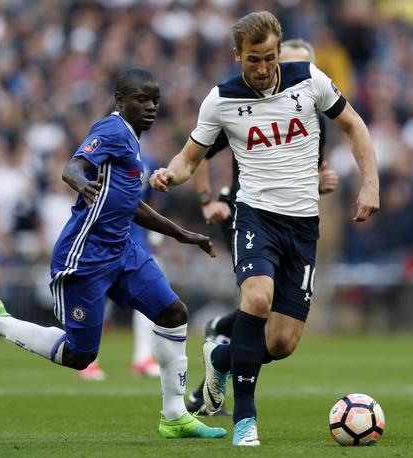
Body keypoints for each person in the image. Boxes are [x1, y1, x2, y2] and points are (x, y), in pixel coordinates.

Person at [0, 68, 227, 440]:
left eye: (155, 101)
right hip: (85, 256)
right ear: (119, 100)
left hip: (124, 250)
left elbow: (132, 205)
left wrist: (183, 234)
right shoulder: (112, 130)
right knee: (80, 355)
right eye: (141, 99)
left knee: (173, 312)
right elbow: (74, 166)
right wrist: (81, 182)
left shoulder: (132, 142)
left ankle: (175, 415)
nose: (150, 107)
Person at [150, 12, 379, 446]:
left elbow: (355, 127)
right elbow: (189, 159)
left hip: (304, 224)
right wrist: (169, 174)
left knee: (281, 342)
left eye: (270, 58)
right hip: (254, 216)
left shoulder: (309, 79)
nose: (263, 67)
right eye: (253, 59)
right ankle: (246, 420)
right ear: (238, 55)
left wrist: (370, 185)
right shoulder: (221, 99)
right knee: (257, 298)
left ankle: (221, 356)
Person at [185, 37, 339, 415]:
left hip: (296, 221)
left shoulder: (316, 112)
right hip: (249, 212)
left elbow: (305, 171)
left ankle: (219, 347)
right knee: (259, 301)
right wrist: (208, 200)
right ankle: (241, 412)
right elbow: (198, 151)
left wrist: (318, 182)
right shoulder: (242, 103)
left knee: (278, 331)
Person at [79, 152, 163, 381]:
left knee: (149, 296)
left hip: (137, 239)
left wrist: (155, 235)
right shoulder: (98, 157)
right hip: (106, 238)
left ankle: (143, 357)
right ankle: (88, 359)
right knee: (99, 296)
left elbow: (151, 199)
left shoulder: (147, 160)